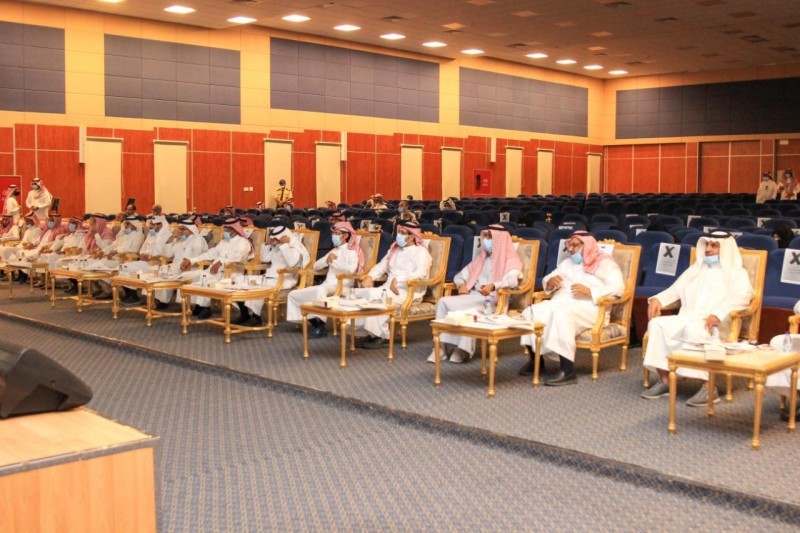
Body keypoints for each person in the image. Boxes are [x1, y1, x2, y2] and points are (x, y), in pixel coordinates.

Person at [642, 232, 753, 405]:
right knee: (657, 324)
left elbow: (743, 297)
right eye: (707, 245)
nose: (708, 249)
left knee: (694, 329)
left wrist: (718, 313)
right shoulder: (696, 269)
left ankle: (709, 388)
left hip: (717, 324)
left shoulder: (737, 273)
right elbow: (675, 289)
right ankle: (665, 381)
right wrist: (658, 299)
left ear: (725, 249)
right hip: (688, 317)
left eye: (714, 246)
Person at [517, 231, 625, 385]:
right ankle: (536, 361)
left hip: (590, 307)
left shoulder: (605, 263)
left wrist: (590, 291)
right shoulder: (567, 264)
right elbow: (548, 279)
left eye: (575, 245)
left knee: (562, 314)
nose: (571, 249)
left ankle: (567, 370)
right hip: (561, 302)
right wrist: (550, 283)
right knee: (531, 312)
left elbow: (619, 288)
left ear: (587, 245)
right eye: (569, 246)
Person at [429, 225, 522, 363]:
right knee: (443, 301)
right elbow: (459, 276)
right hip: (473, 296)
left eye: (490, 237)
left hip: (492, 300)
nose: (486, 240)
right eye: (486, 236)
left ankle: (462, 349)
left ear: (500, 240)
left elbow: (512, 281)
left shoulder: (511, 260)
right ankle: (440, 347)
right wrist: (461, 285)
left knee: (468, 311)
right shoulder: (481, 259)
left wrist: (494, 286)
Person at [353, 221, 432, 349]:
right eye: (398, 232)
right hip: (388, 288)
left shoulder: (421, 252)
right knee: (364, 294)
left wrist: (399, 280)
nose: (398, 235)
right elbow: (381, 266)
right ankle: (371, 333)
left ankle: (382, 337)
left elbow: (421, 273)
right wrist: (370, 277)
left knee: (376, 296)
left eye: (402, 233)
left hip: (408, 291)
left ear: (412, 236)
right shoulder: (394, 250)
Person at [286, 221, 362, 338]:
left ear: (346, 235)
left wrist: (334, 261)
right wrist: (327, 260)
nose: (334, 236)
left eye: (337, 233)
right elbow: (316, 266)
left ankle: (320, 327)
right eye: (333, 233)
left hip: (343, 286)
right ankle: (315, 323)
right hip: (327, 285)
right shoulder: (333, 251)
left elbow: (351, 271)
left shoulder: (351, 252)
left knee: (320, 290)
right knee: (293, 294)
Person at [229, 224, 308, 327]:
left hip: (284, 280)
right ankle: (245, 315)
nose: (275, 240)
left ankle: (256, 318)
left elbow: (292, 263)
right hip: (269, 278)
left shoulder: (295, 247)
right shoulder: (278, 246)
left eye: (277, 238)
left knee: (257, 286)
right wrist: (267, 244)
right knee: (238, 280)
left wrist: (285, 245)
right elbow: (265, 259)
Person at [179, 217, 253, 319]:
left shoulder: (242, 242)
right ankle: (200, 305)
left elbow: (238, 257)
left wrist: (221, 262)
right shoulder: (224, 242)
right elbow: (210, 253)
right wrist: (191, 260)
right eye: (225, 228)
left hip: (231, 272)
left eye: (228, 228)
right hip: (216, 271)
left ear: (235, 229)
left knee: (205, 277)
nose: (225, 230)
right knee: (190, 276)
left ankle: (204, 308)